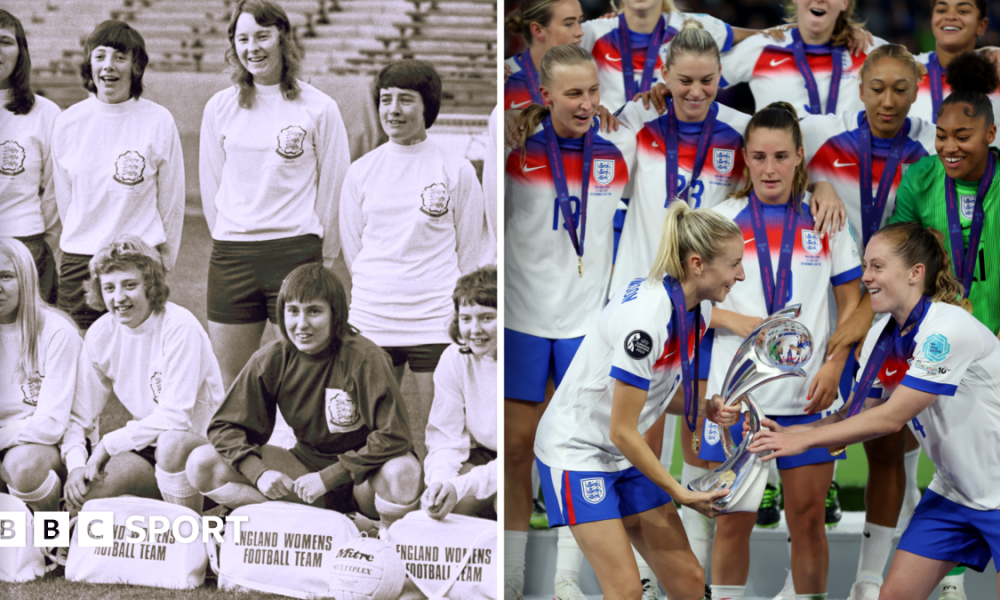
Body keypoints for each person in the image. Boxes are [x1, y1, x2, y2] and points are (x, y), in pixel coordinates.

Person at [749, 222, 1000, 600]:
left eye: (877, 267)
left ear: (916, 273)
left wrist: (803, 444)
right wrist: (787, 435)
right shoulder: (882, 336)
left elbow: (890, 418)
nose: (865, 277)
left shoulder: (946, 330)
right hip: (956, 492)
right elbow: (856, 415)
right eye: (865, 265)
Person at [534, 200, 743, 600]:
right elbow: (622, 430)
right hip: (576, 452)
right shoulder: (646, 323)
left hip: (618, 450)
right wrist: (680, 493)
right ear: (697, 264)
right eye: (734, 264)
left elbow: (655, 391)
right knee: (627, 591)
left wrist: (704, 407)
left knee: (689, 582)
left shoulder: (695, 310)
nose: (742, 274)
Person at [699, 102, 862, 600]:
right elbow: (689, 302)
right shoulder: (718, 221)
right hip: (736, 402)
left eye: (780, 156)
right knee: (732, 522)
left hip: (807, 400)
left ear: (799, 157)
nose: (769, 169)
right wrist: (741, 322)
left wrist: (835, 362)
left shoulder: (825, 217)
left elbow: (856, 304)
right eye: (759, 156)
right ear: (745, 158)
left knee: (809, 521)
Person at [801, 44, 938, 600]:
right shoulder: (827, 147)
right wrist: (817, 183)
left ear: (917, 90)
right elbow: (771, 165)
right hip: (833, 309)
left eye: (901, 89)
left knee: (888, 444)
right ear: (858, 88)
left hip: (896, 315)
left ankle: (867, 580)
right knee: (817, 439)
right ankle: (801, 576)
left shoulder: (929, 153)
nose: (888, 100)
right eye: (877, 88)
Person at [503, 44, 636, 600]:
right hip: (522, 321)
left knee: (579, 454)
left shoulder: (618, 154)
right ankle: (508, 578)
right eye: (574, 93)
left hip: (587, 324)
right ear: (546, 95)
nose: (586, 105)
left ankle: (564, 581)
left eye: (593, 92)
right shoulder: (514, 153)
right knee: (516, 450)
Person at [185, 263, 422, 528]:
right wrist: (259, 473)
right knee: (202, 463)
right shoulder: (273, 357)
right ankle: (300, 528)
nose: (302, 324)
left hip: (363, 480)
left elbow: (394, 436)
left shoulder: (365, 358)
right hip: (304, 471)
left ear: (336, 314)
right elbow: (224, 427)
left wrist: (329, 477)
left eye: (314, 311)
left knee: (404, 470)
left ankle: (385, 541)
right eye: (293, 311)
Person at [200, 0, 350, 388]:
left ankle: (303, 449)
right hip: (232, 257)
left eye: (262, 36)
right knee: (235, 379)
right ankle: (241, 449)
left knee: (305, 374)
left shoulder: (319, 107)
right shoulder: (220, 107)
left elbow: (335, 188)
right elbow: (211, 182)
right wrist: (231, 233)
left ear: (283, 38)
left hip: (294, 252)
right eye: (242, 38)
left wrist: (322, 256)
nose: (253, 48)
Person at [340, 59, 484, 461]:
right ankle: (383, 500)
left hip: (434, 318)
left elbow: (468, 251)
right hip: (372, 318)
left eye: (406, 100)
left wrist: (443, 301)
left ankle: (436, 501)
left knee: (442, 427)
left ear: (427, 107)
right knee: (372, 429)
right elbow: (355, 249)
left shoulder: (455, 169)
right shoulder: (361, 172)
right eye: (386, 100)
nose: (394, 110)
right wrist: (382, 286)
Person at [61, 236, 224, 515]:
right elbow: (78, 415)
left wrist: (106, 446)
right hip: (146, 445)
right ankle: (58, 555)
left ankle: (199, 528)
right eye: (109, 288)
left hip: (200, 448)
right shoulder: (101, 334)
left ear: (150, 285)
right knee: (87, 497)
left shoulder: (179, 327)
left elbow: (176, 419)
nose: (119, 298)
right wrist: (76, 463)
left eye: (130, 285)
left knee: (171, 445)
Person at [51, 20, 184, 331]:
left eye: (119, 57)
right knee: (82, 364)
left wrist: (163, 261)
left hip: (139, 262)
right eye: (100, 56)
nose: (108, 66)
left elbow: (172, 200)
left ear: (136, 66)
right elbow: (66, 201)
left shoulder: (158, 120)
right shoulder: (68, 122)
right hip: (80, 264)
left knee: (139, 360)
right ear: (89, 64)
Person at [0, 238, 80, 512]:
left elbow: (52, 424)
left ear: (26, 278)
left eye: (6, 276)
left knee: (22, 465)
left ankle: (53, 539)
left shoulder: (57, 332)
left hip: (52, 446)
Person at [422, 266, 497, 521]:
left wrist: (462, 486)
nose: (474, 329)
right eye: (466, 318)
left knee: (505, 500)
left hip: (529, 460)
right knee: (444, 506)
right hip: (486, 454)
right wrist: (441, 483)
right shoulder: (454, 357)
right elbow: (445, 436)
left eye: (487, 318)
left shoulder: (527, 357)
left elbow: (519, 453)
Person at [719, 0, 884, 115]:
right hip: (776, 164)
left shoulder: (870, 51)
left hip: (848, 164)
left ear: (844, 3)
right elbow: (699, 81)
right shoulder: (764, 46)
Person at [0, 10, 62, 305]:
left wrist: (41, 245)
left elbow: (55, 191)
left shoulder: (46, 113)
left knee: (29, 345)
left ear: (20, 52)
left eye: (4, 41)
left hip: (26, 247)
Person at [911, 0, 1000, 126]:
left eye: (963, 11)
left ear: (981, 25)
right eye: (942, 10)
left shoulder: (996, 73)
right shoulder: (906, 72)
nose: (950, 16)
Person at [504, 0, 585, 111]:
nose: (580, 32)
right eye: (569, 24)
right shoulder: (505, 77)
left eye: (580, 21)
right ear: (538, 30)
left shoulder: (585, 77)